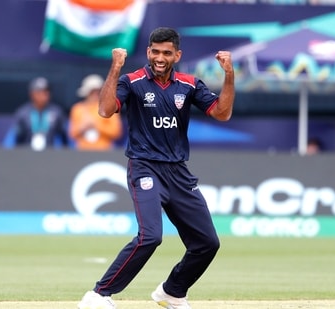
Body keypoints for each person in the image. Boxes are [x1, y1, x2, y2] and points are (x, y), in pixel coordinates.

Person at [77, 27, 235, 309]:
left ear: (177, 55)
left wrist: (229, 75)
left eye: (167, 53)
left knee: (207, 243)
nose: (160, 58)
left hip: (178, 172)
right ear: (148, 52)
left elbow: (222, 113)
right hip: (145, 167)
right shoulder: (133, 81)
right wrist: (115, 67)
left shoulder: (188, 84)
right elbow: (104, 110)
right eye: (155, 52)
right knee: (150, 236)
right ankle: (99, 294)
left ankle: (173, 291)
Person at [11, 77, 68, 151]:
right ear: (32, 94)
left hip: (50, 154)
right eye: (40, 91)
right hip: (27, 154)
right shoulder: (23, 113)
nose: (44, 94)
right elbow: (17, 138)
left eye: (47, 91)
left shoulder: (56, 112)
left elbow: (64, 137)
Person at [68, 74, 123, 150]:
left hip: (104, 151)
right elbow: (72, 133)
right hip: (82, 151)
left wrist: (97, 126)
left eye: (98, 91)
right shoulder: (77, 109)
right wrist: (82, 128)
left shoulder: (110, 107)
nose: (95, 94)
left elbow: (116, 132)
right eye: (92, 92)